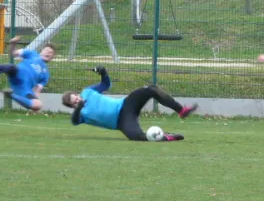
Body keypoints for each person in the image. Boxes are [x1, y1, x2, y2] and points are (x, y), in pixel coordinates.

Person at [61, 66, 198, 142]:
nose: (77, 101)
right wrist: (78, 109)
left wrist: (103, 72)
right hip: (121, 122)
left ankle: (181, 110)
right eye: (74, 103)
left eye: (76, 98)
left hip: (126, 105)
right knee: (138, 137)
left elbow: (105, 84)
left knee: (150, 89)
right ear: (72, 106)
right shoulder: (81, 115)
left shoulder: (87, 92)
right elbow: (74, 121)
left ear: (77, 94)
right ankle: (165, 136)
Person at [0, 36, 57, 111]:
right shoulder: (32, 54)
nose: (48, 53)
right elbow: (12, 54)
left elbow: (37, 90)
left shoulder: (46, 74)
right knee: (10, 67)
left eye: (50, 52)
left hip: (24, 89)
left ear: (52, 57)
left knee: (38, 105)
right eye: (46, 50)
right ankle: (11, 94)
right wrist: (13, 44)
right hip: (16, 74)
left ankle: (10, 94)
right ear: (41, 51)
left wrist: (34, 100)